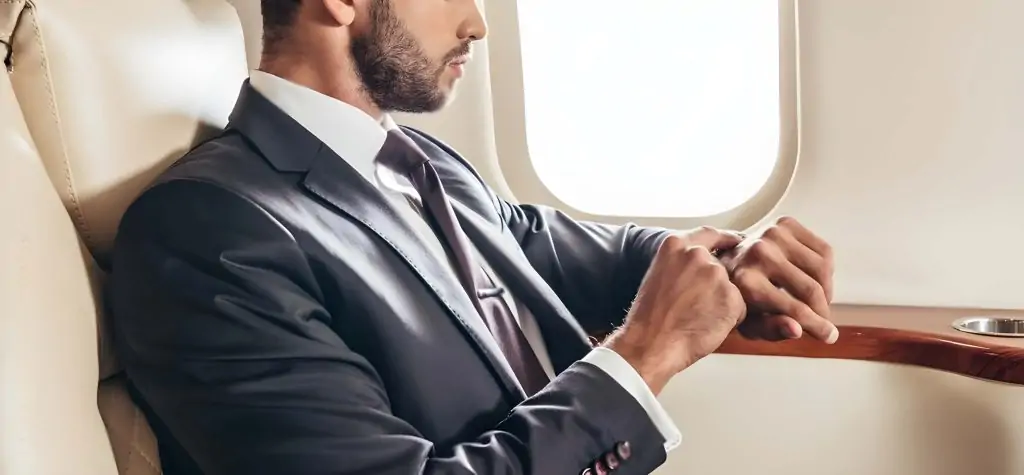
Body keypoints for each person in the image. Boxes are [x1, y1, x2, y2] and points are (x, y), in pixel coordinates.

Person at [108, 0, 837, 474]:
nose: (478, 24)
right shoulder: (210, 232)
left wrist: (731, 256)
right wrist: (645, 352)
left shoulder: (421, 164)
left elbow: (584, 252)